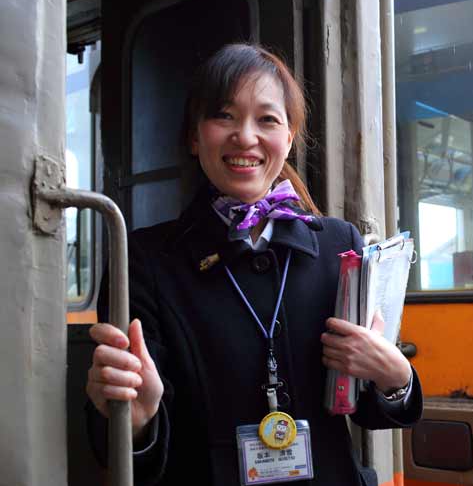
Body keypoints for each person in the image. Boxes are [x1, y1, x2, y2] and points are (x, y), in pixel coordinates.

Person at [85, 43, 422, 486]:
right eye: (224, 116)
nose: (245, 137)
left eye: (267, 119)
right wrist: (136, 420)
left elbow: (371, 413)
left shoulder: (339, 245)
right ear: (194, 136)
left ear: (290, 136)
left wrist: (396, 377)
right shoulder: (144, 260)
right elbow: (132, 449)